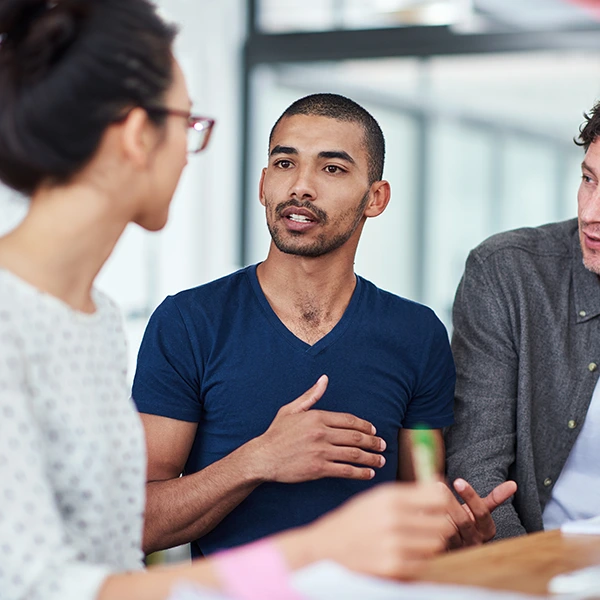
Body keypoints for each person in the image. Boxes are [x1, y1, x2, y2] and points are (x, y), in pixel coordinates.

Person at [0, 1, 456, 599]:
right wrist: (312, 551)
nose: (194, 157)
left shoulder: (96, 318)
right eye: (189, 125)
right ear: (140, 135)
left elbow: (108, 558)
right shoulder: (15, 322)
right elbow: (38, 586)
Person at [132, 92, 515, 557]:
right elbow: (138, 522)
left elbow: (425, 500)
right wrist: (258, 460)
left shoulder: (417, 334)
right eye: (285, 164)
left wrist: (459, 535)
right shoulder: (188, 323)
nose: (301, 187)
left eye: (332, 168)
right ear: (263, 184)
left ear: (375, 198)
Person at [445, 101, 600, 540]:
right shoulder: (508, 272)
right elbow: (477, 462)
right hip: (543, 567)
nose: (590, 213)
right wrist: (532, 577)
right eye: (588, 179)